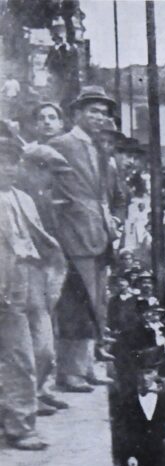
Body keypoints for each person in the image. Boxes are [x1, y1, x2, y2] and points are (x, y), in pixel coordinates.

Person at [49, 85, 119, 392]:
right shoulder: (61, 143)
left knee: (97, 303)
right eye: (93, 111)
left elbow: (103, 192)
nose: (99, 117)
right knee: (77, 304)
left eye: (103, 113)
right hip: (74, 233)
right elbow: (46, 185)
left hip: (100, 233)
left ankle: (88, 365)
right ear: (78, 113)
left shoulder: (97, 147)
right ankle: (70, 372)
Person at [0, 132, 66, 449]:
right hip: (5, 283)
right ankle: (19, 426)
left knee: (40, 352)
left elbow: (41, 241)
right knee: (19, 355)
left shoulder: (24, 199)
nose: (7, 168)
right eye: (1, 162)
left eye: (13, 162)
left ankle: (17, 414)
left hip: (32, 278)